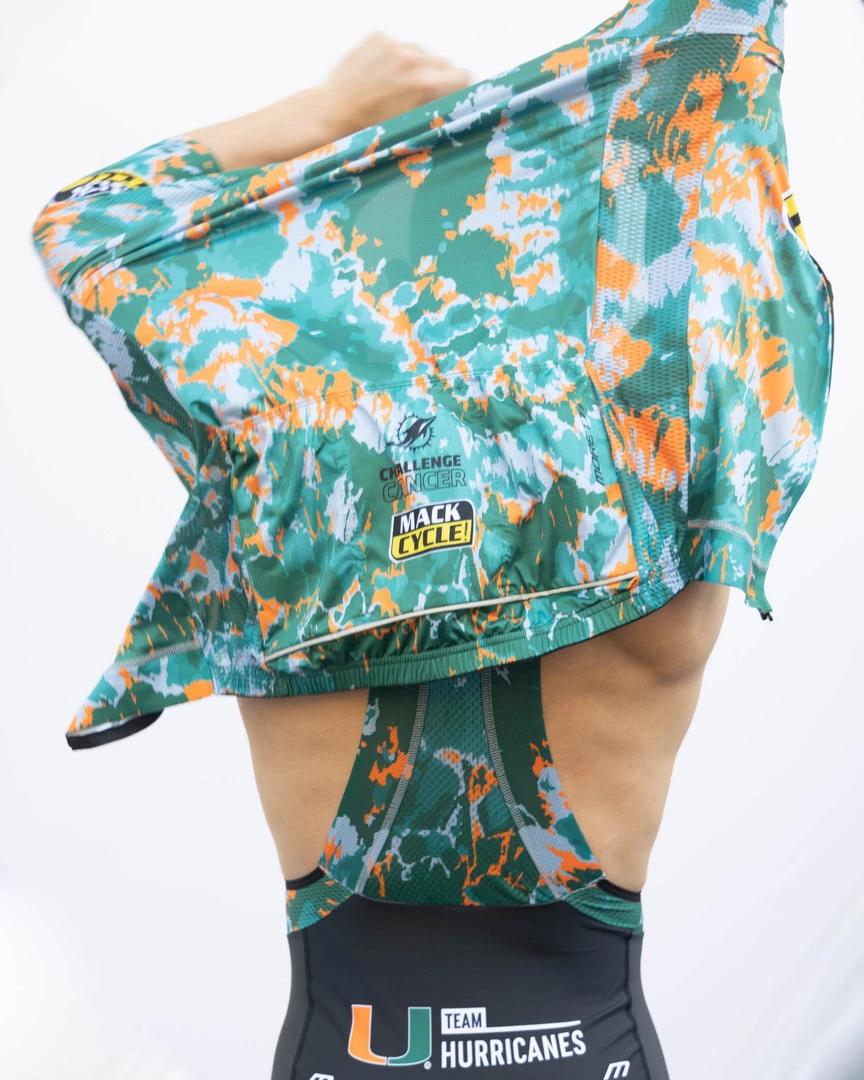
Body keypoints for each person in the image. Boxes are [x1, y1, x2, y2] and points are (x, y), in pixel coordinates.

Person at [30, 2, 832, 1076]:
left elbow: (83, 229)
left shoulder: (280, 505)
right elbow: (704, 215)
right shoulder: (660, 511)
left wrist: (330, 109)